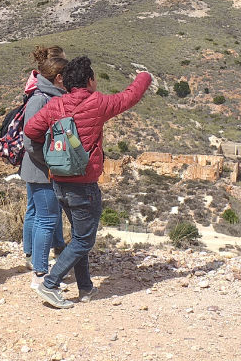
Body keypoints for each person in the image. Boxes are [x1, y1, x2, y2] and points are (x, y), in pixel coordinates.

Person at [24, 56, 150, 309]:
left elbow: (31, 131)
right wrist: (144, 77)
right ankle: (50, 283)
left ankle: (85, 288)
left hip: (59, 180)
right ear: (90, 80)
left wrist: (50, 153)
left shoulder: (55, 105)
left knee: (78, 237)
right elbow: (128, 97)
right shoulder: (97, 103)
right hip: (83, 184)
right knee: (84, 240)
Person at [19, 46, 69, 288]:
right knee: (47, 219)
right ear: (58, 78)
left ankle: (35, 260)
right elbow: (30, 141)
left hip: (40, 168)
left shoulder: (44, 96)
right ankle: (40, 271)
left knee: (41, 215)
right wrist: (51, 164)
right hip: (42, 170)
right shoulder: (40, 99)